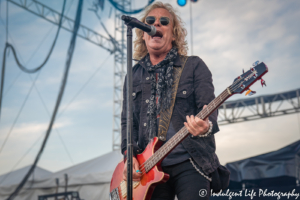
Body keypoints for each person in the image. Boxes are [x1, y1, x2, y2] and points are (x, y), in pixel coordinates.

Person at [121, 2, 229, 200]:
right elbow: (128, 123)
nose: (157, 24)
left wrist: (206, 126)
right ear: (143, 33)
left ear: (173, 34)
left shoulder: (194, 66)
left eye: (164, 22)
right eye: (150, 22)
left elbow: (208, 107)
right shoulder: (133, 76)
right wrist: (130, 157)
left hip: (191, 161)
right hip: (149, 169)